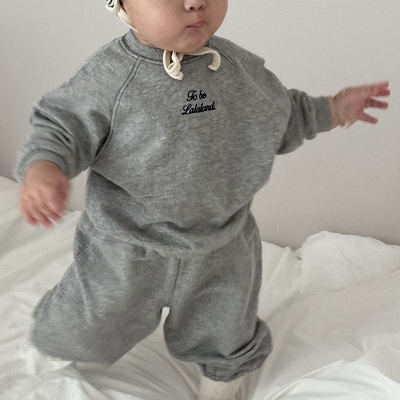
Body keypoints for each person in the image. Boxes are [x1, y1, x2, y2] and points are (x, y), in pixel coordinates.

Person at [14, 0, 390, 399]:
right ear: (121, 5)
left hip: (222, 243)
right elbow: (62, 127)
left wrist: (332, 109)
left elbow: (281, 115)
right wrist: (44, 167)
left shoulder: (238, 69)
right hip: (126, 245)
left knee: (225, 326)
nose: (195, 2)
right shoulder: (110, 77)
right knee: (89, 320)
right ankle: (55, 350)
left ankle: (222, 380)